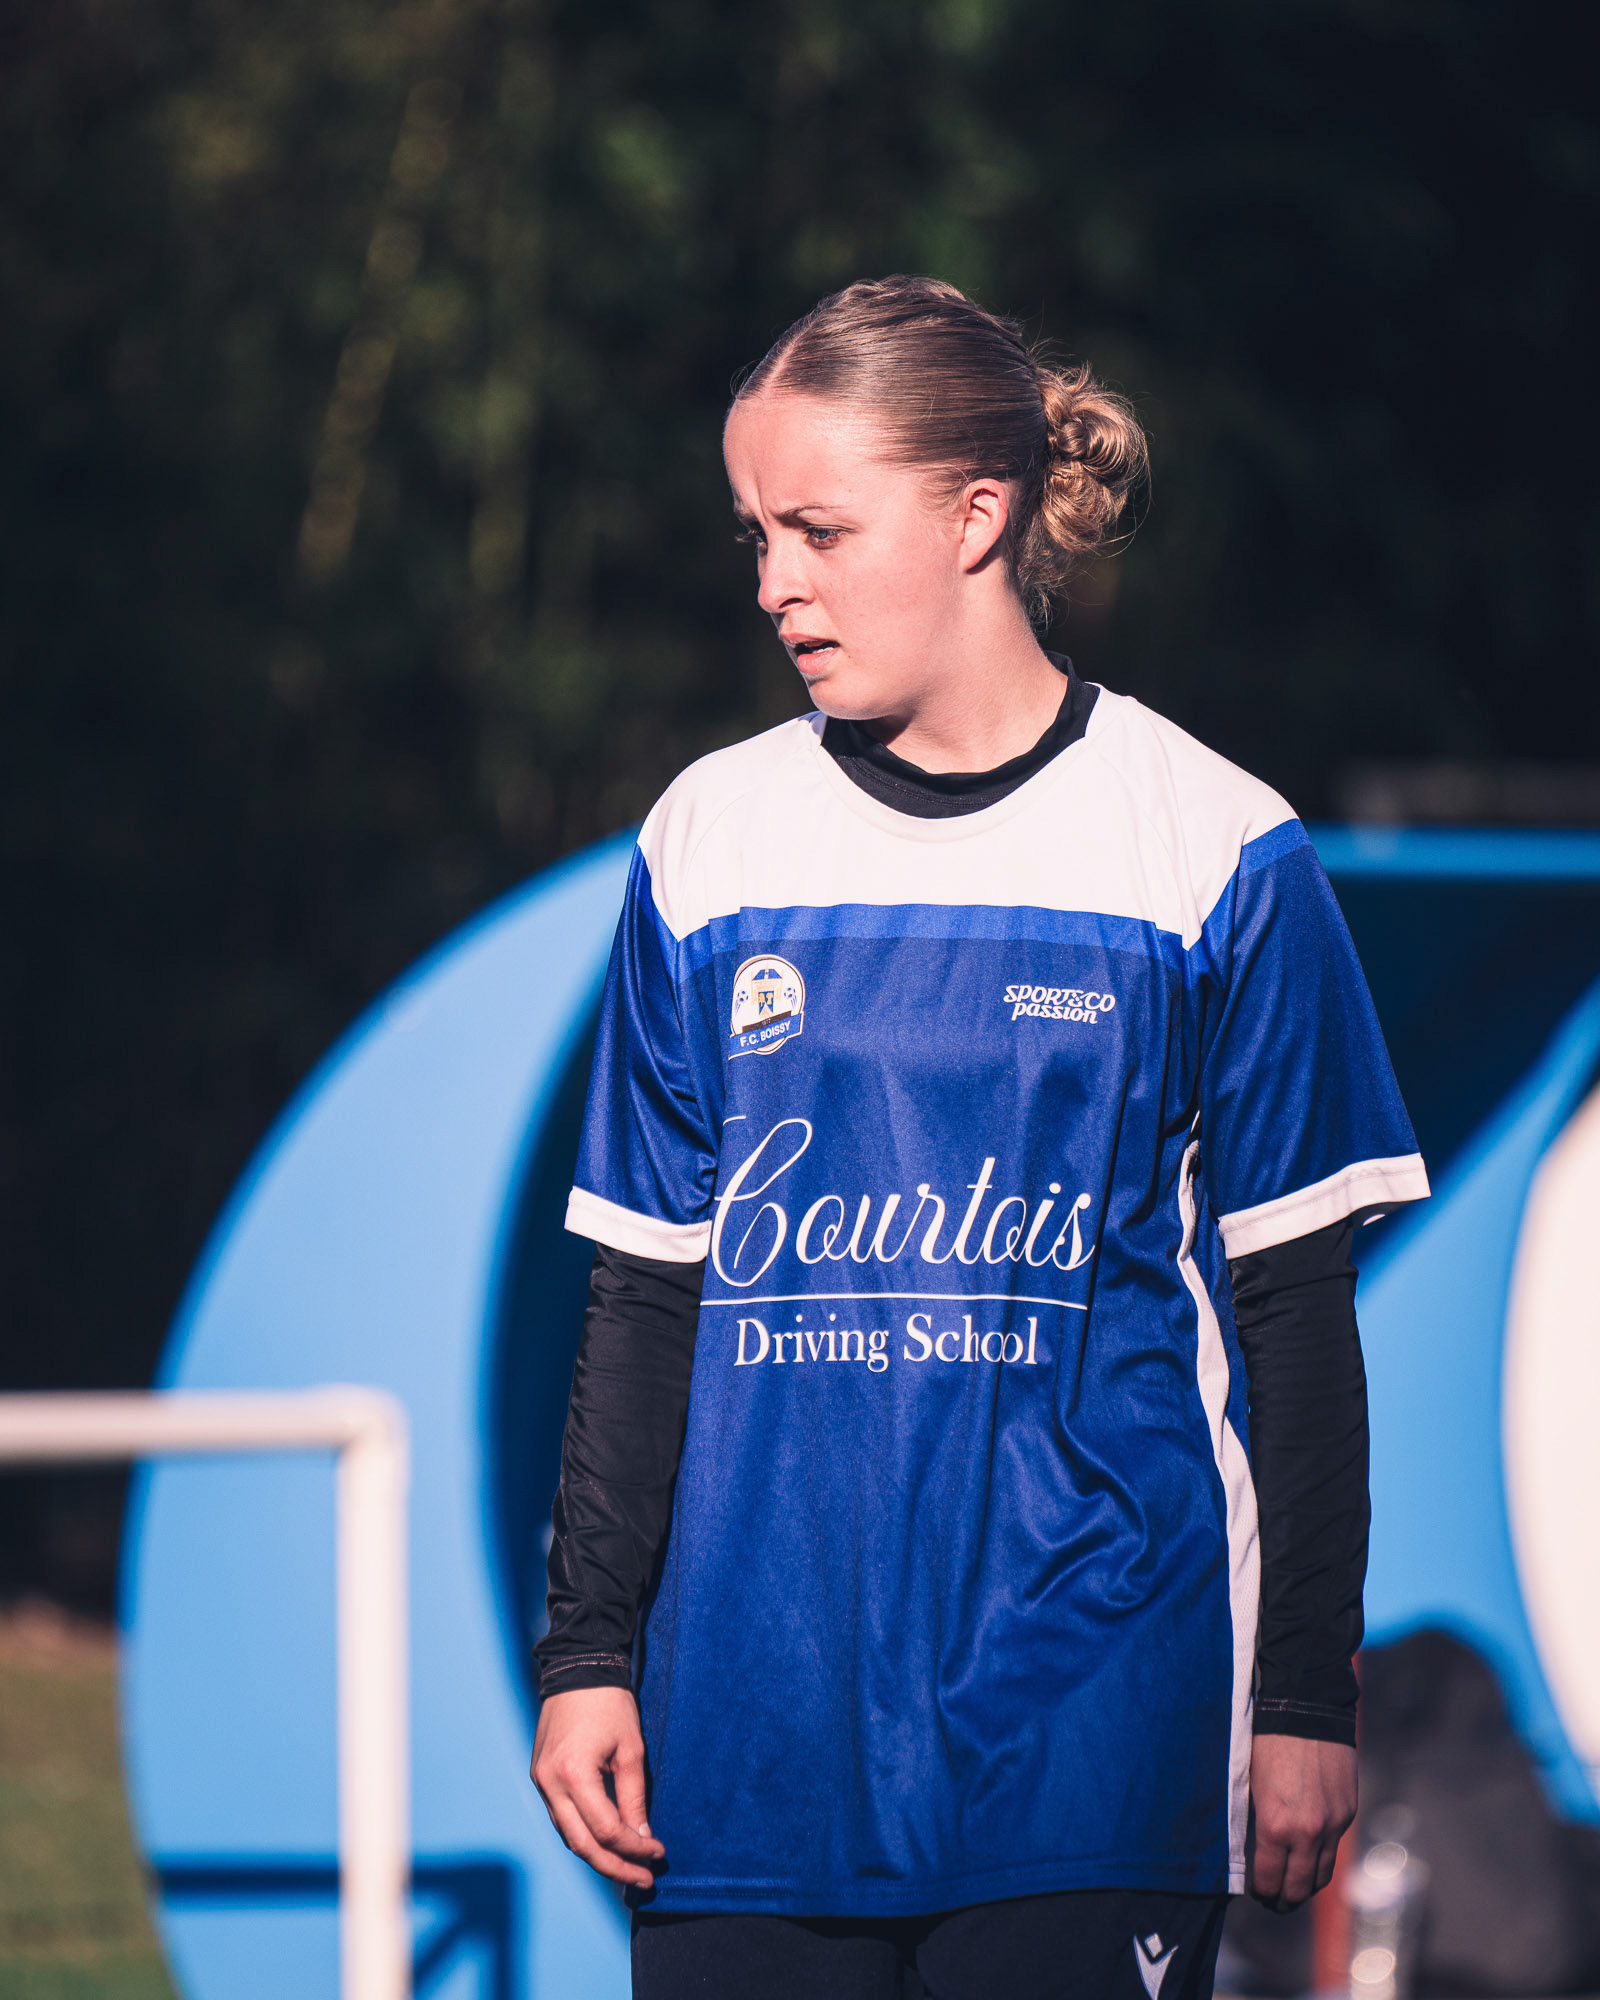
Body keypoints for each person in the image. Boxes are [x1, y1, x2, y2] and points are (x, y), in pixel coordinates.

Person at [529, 276, 1429, 2000]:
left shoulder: (1217, 849)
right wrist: (587, 1656)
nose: (776, 581)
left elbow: (1298, 1328)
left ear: (977, 515)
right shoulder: (708, 840)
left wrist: (1305, 1697)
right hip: (752, 1745)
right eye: (756, 537)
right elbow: (643, 1300)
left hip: (1098, 1733)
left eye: (818, 528)